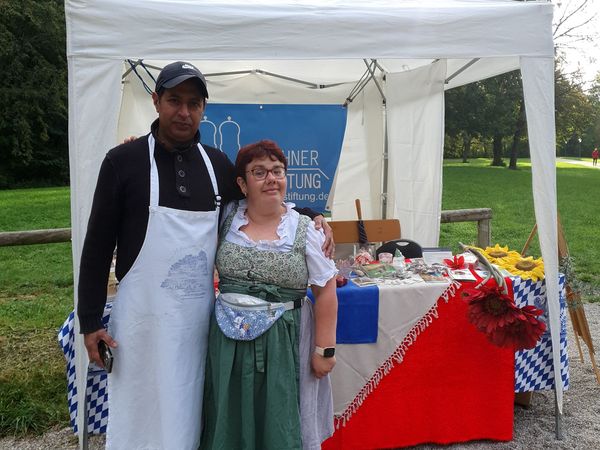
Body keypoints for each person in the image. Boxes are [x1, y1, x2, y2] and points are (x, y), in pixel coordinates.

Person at [77, 61, 333, 449]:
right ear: (156, 101)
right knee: (139, 413)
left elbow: (262, 201)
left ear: (204, 109)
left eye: (194, 103)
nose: (184, 112)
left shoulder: (216, 164)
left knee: (194, 413)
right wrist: (90, 319)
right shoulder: (122, 162)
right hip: (141, 323)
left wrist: (311, 216)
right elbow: (96, 246)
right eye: (174, 101)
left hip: (200, 327)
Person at [200, 140, 338, 450]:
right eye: (259, 172)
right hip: (229, 345)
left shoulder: (305, 229)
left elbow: (326, 290)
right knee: (231, 418)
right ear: (242, 183)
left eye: (277, 171)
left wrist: (325, 350)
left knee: (280, 420)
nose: (271, 179)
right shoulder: (225, 219)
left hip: (286, 345)